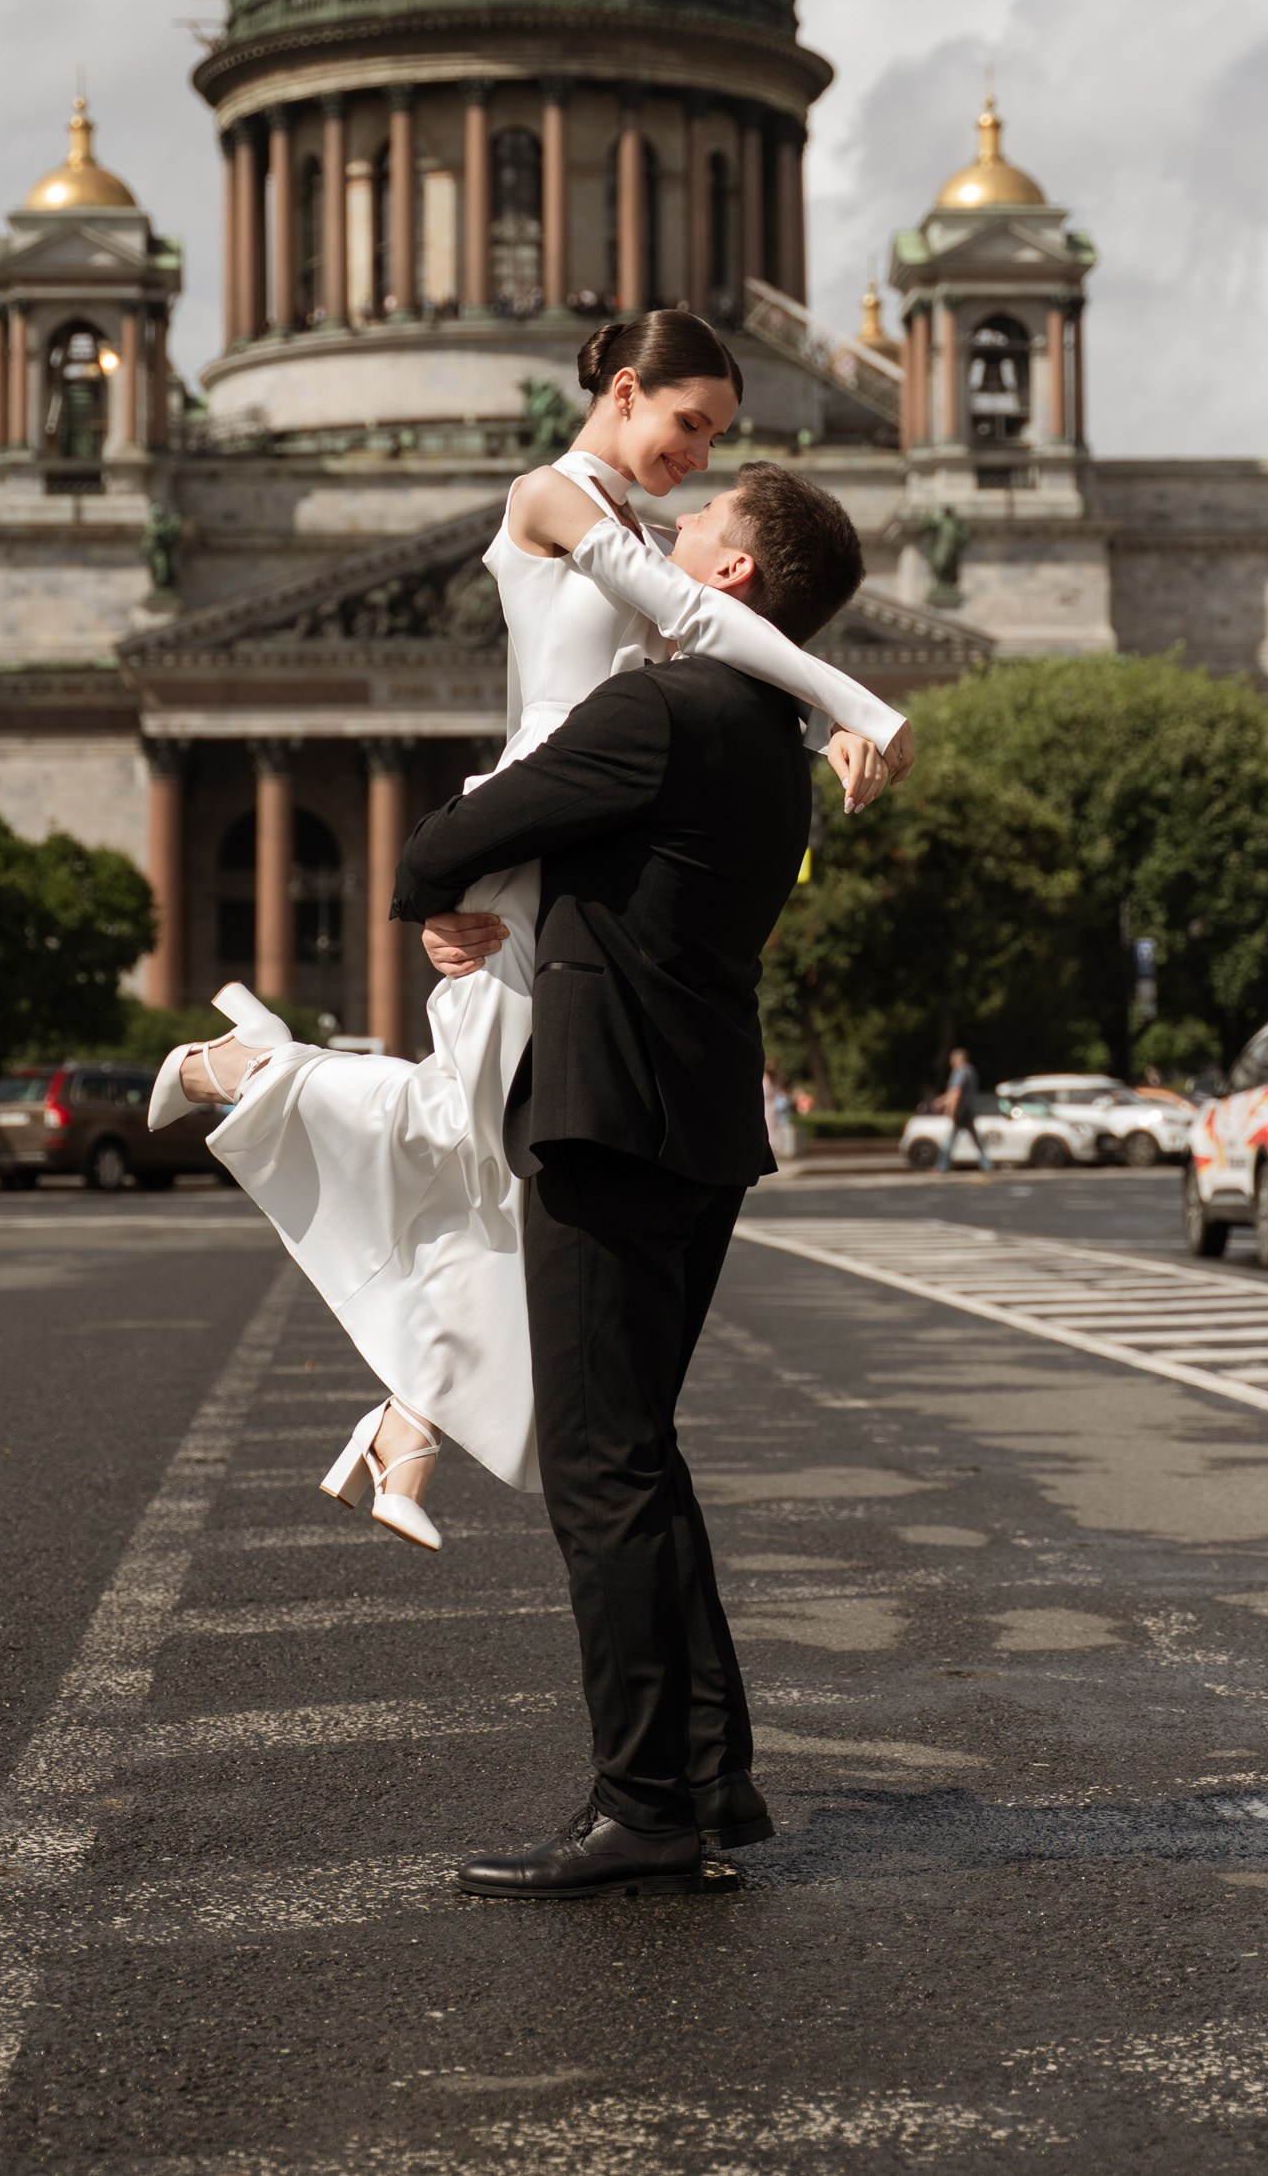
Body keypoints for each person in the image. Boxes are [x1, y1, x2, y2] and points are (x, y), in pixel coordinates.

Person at [148, 311, 912, 1547]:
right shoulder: (555, 496)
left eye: (718, 436)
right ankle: (242, 1066)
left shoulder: (653, 529)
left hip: (587, 836)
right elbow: (705, 623)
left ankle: (405, 1416)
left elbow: (715, 641)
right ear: (623, 388)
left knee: (514, 1157)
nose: (700, 456)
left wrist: (813, 727)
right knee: (477, 1127)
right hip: (534, 823)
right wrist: (856, 703)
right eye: (688, 423)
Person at [391, 458, 862, 1894]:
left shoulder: (657, 709)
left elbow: (450, 841)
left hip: (604, 1119)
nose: (672, 522)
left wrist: (447, 902)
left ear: (728, 577)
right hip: (703, 1125)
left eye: (704, 520)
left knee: (600, 1468)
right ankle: (713, 1772)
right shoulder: (772, 740)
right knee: (641, 1447)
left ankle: (645, 1802)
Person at [940, 1045, 987, 1171]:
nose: (951, 1063)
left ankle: (942, 1165)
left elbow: (956, 1093)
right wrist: (940, 1101)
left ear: (958, 1059)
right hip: (970, 1109)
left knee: (951, 1139)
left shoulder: (959, 1072)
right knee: (976, 1139)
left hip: (961, 1110)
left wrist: (950, 1110)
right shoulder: (971, 1071)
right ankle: (986, 1164)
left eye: (952, 1060)